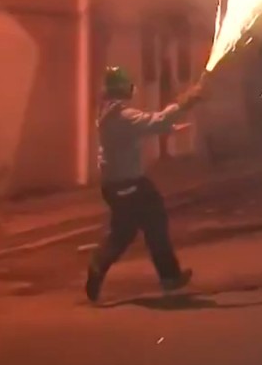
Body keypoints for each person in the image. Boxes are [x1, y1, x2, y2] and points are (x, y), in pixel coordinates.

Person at [85, 66, 207, 303]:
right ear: (123, 88)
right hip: (130, 184)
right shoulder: (122, 116)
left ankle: (99, 264)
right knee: (155, 220)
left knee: (124, 232)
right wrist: (187, 101)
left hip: (113, 185)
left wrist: (169, 127)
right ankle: (169, 276)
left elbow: (142, 129)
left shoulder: (108, 114)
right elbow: (155, 120)